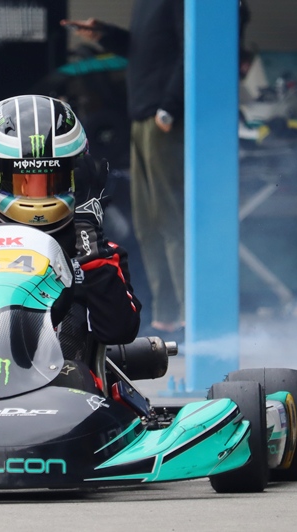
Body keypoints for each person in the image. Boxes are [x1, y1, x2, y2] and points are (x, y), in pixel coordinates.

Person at [0, 94, 141, 386]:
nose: (36, 194)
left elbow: (119, 330)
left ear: (78, 176)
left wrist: (87, 236)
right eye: (23, 182)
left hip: (67, 396)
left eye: (50, 181)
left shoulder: (98, 252)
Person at [63, 3, 186, 342]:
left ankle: (189, 315)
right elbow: (145, 49)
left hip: (163, 119)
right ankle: (167, 318)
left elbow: (192, 50)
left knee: (171, 220)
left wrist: (170, 107)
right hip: (143, 117)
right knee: (149, 224)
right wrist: (106, 35)